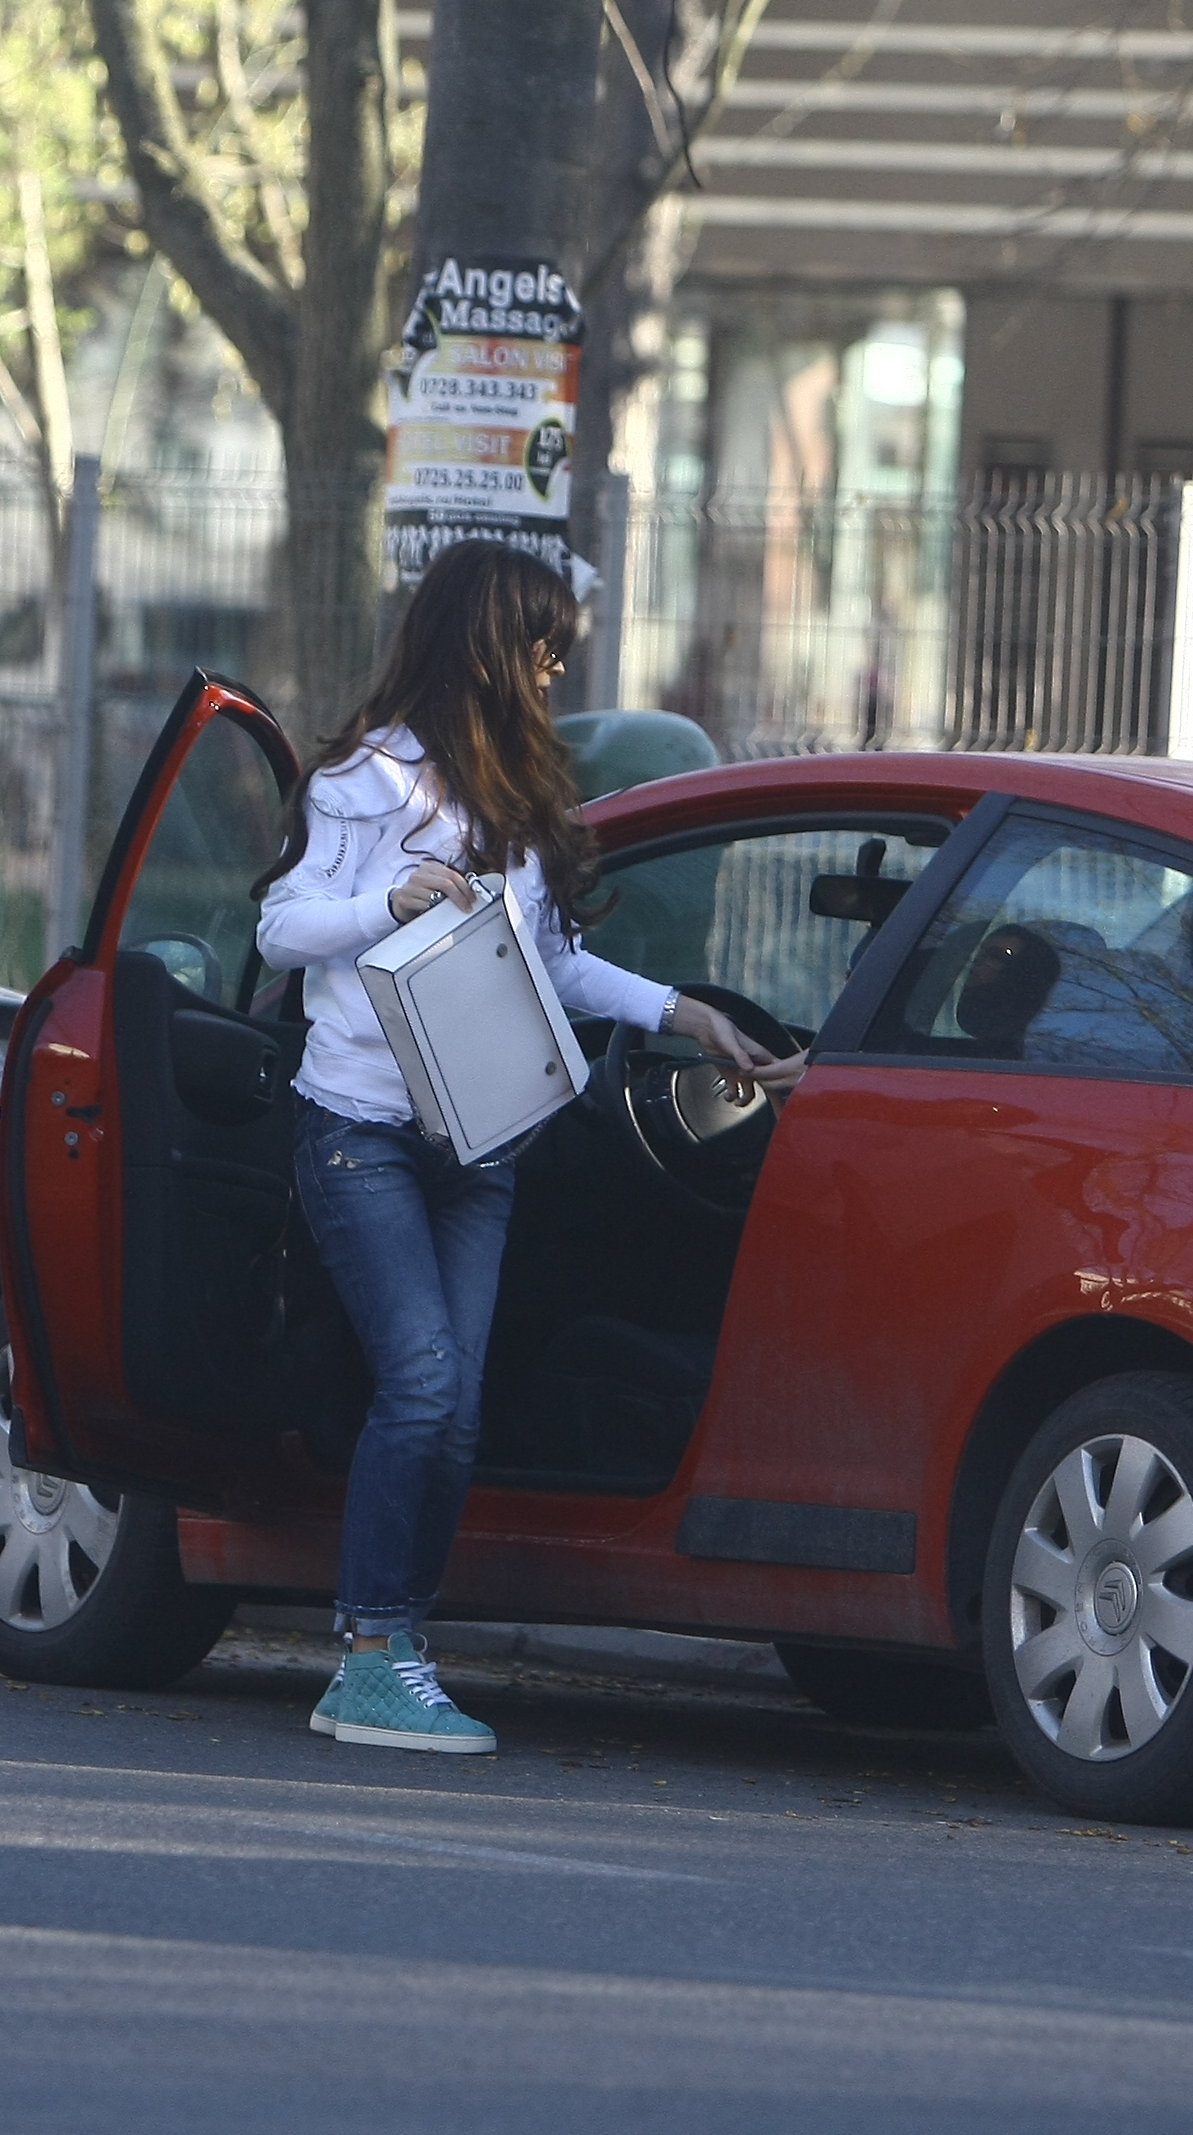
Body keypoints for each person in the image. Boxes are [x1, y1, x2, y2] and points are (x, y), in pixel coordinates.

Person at [254, 541, 801, 1755]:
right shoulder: (369, 781)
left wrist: (687, 1013)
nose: (556, 671)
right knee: (426, 1382)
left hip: (483, 1139)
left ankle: (398, 1644)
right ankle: (370, 1654)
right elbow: (281, 925)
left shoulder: (517, 801)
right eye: (542, 649)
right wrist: (384, 904)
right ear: (489, 648)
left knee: (455, 1410)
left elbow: (550, 964)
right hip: (361, 1132)